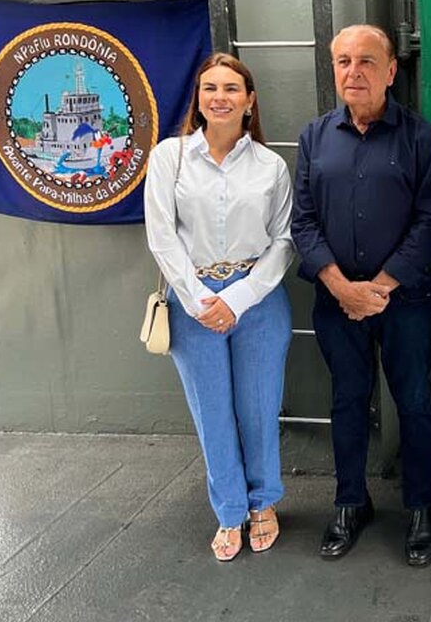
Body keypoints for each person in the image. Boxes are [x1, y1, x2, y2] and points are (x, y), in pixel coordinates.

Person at [291, 25, 431, 567]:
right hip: (337, 302)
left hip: (402, 302)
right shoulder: (314, 137)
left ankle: (423, 509)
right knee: (347, 402)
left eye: (365, 61)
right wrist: (340, 287)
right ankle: (350, 502)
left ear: (390, 71)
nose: (352, 72)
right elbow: (303, 223)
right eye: (342, 61)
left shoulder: (421, 138)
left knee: (415, 404)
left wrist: (377, 289)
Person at [144, 52, 294, 562]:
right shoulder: (170, 158)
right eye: (210, 88)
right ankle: (230, 510)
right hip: (193, 301)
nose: (220, 97)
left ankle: (263, 504)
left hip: (259, 300)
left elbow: (284, 242)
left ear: (250, 100)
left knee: (258, 409)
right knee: (212, 413)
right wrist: (200, 297)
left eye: (232, 88)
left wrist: (237, 298)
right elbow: (162, 236)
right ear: (199, 99)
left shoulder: (271, 166)